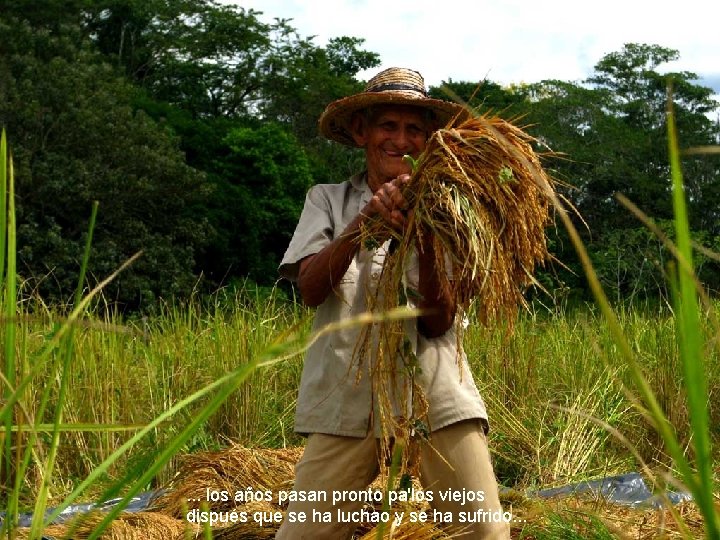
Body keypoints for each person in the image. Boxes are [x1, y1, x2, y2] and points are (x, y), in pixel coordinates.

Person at [276, 67, 510, 539]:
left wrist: (420, 229)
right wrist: (364, 222)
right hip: (347, 398)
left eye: (414, 129)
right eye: (388, 125)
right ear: (363, 132)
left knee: (484, 532)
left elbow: (438, 321)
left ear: (428, 141)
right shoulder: (327, 200)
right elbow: (309, 289)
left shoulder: (451, 211)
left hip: (434, 393)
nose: (400, 139)